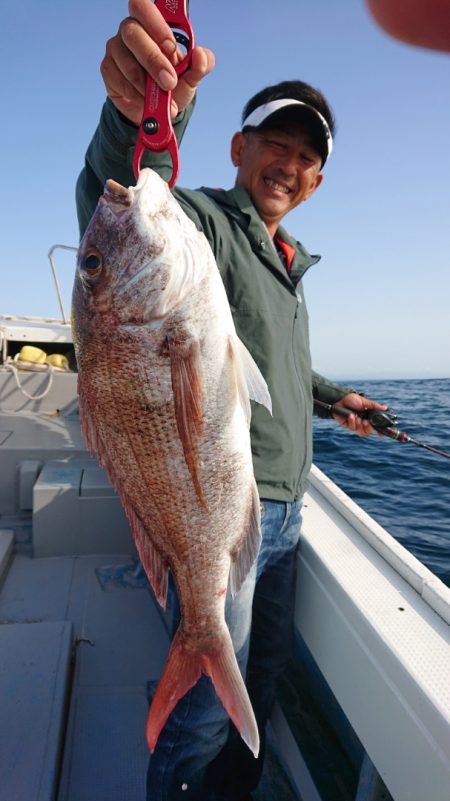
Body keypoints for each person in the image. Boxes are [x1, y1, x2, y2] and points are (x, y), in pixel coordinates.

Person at [76, 3, 387, 799]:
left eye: (305, 156)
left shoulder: (287, 262)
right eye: (274, 144)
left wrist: (331, 399)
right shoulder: (203, 225)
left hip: (282, 510)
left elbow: (270, 370)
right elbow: (122, 200)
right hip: (210, 512)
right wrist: (144, 116)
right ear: (237, 148)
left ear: (317, 181)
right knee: (209, 714)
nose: (287, 163)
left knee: (267, 678)